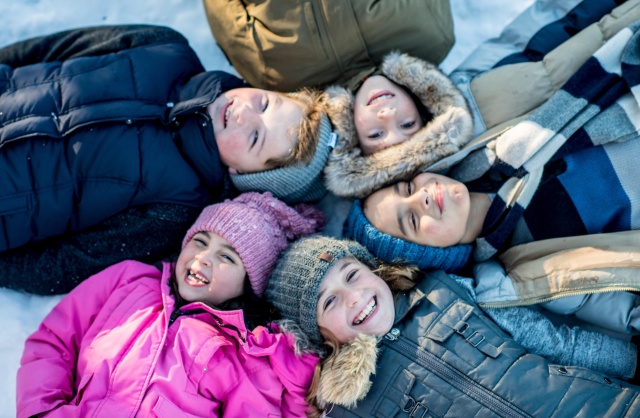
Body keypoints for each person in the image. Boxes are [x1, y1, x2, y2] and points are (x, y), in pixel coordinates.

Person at [0, 24, 333, 294]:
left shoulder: (173, 209)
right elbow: (54, 48)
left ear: (244, 173)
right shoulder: (166, 48)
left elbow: (69, 263)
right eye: (264, 103)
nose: (244, 114)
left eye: (255, 138)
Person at [17, 191, 324, 417]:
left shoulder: (237, 351)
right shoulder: (129, 280)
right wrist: (42, 410)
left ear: (248, 284)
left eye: (227, 257)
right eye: (200, 241)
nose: (203, 257)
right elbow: (55, 340)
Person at [266, 236, 640, 417]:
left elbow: (553, 342)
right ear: (318, 336)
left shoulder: (443, 291)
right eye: (329, 301)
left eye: (352, 274)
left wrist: (632, 362)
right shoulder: (349, 407)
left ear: (373, 269)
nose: (353, 297)